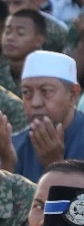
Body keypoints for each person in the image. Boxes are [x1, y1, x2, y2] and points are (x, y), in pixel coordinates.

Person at [13, 50, 84, 181]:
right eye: (26, 92)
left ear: (73, 94)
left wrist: (55, 166)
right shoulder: (16, 147)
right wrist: (6, 163)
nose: (35, 103)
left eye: (46, 91)